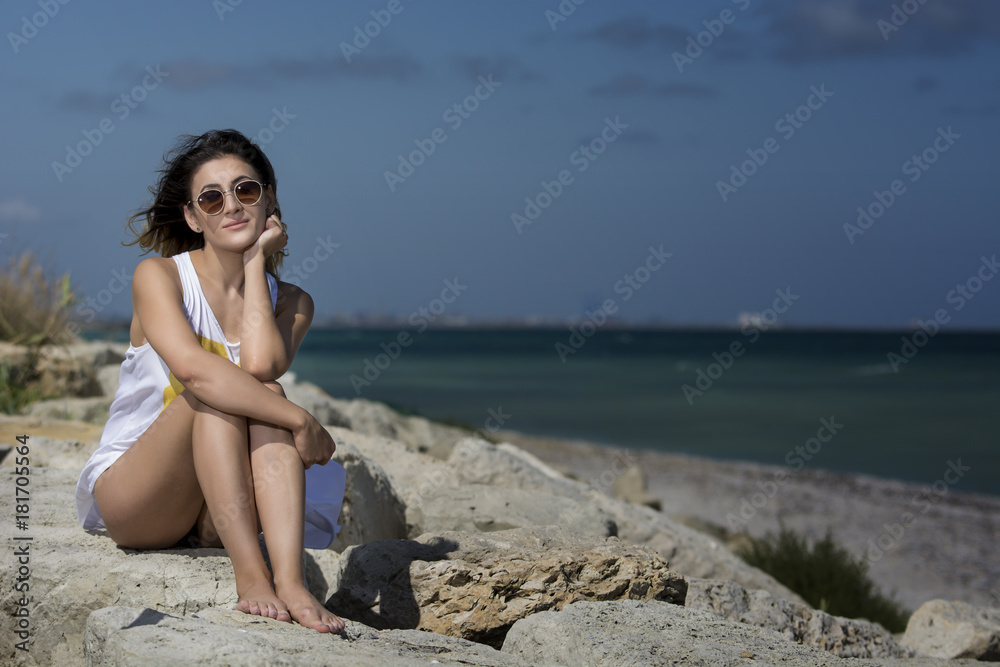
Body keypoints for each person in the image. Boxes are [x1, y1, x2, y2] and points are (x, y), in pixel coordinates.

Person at [74, 129, 346, 634]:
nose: (231, 207)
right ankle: (250, 575)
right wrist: (301, 420)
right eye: (211, 198)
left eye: (246, 191)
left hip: (215, 503)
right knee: (219, 396)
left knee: (264, 393)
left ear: (269, 202)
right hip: (140, 498)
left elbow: (262, 365)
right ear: (194, 217)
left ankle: (288, 580)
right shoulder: (159, 278)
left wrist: (254, 262)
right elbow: (198, 371)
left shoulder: (294, 302)